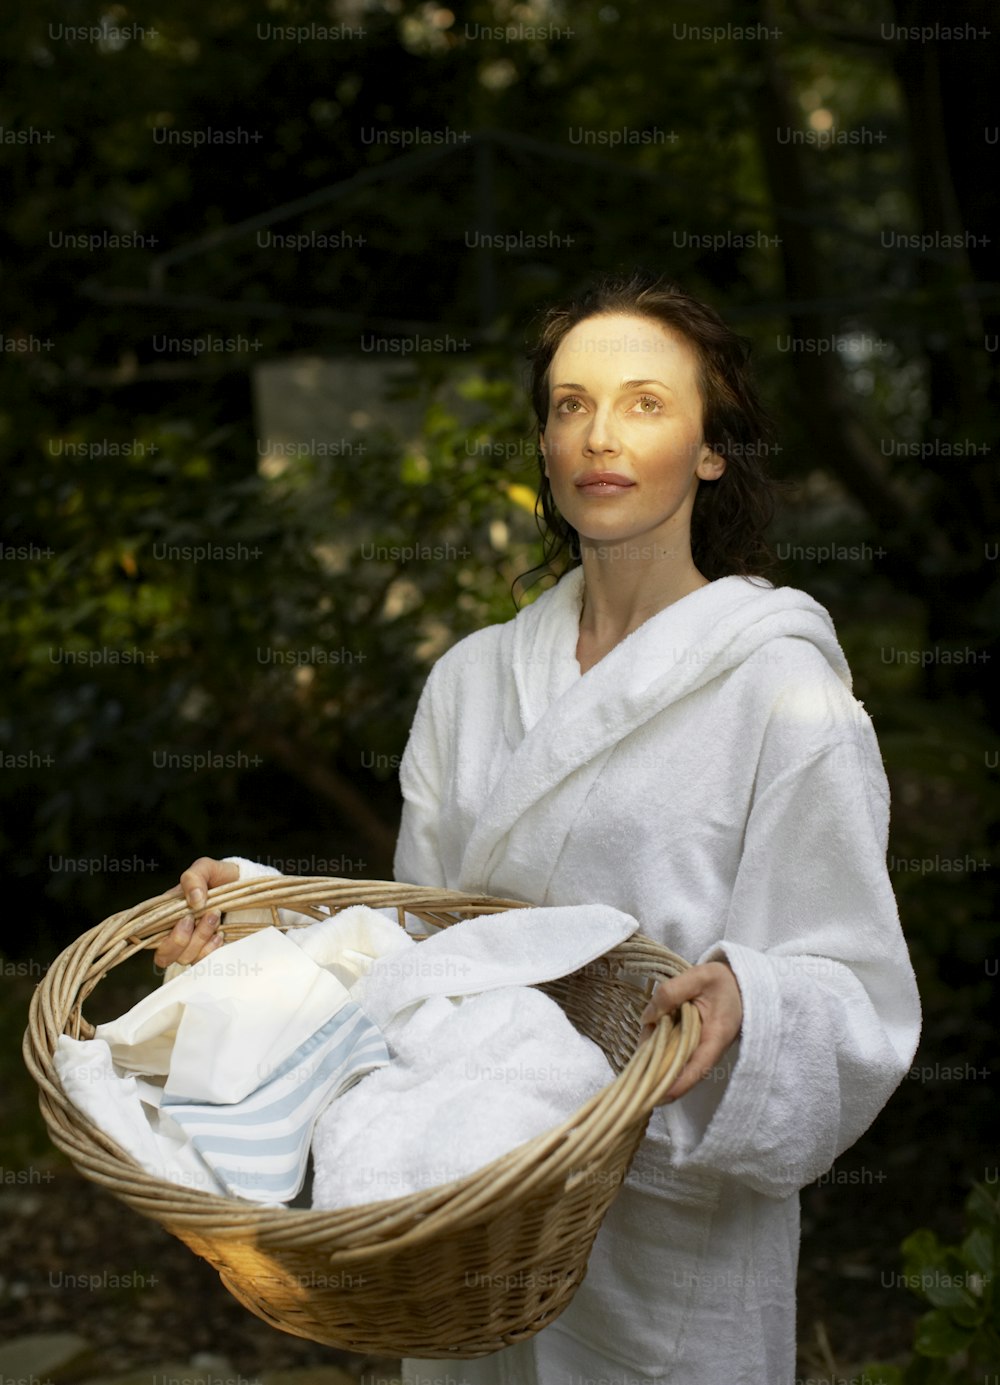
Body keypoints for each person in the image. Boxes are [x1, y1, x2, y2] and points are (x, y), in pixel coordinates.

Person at [154, 271, 922, 1384]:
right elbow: (426, 952)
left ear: (714, 450)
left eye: (646, 403)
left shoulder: (779, 690)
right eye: (570, 403)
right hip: (470, 1209)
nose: (599, 435)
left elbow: (856, 986)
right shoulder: (471, 680)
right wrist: (262, 926)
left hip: (662, 1231)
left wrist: (755, 996)